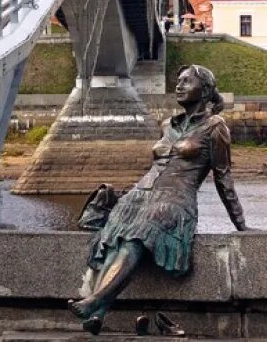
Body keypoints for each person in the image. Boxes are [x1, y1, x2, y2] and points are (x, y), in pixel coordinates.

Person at [68, 65, 250, 335]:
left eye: (187, 81)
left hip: (175, 201)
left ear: (206, 91)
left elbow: (224, 179)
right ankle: (98, 314)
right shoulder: (169, 124)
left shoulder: (216, 128)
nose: (179, 85)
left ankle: (94, 301)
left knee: (135, 237)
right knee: (114, 235)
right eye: (178, 81)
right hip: (140, 194)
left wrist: (241, 225)